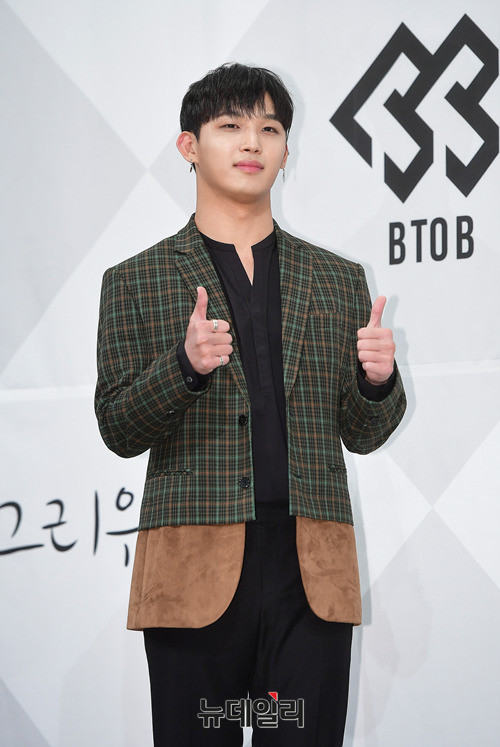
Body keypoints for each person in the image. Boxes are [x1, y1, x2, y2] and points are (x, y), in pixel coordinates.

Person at [95, 62, 406, 746]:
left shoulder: (337, 279)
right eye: (230, 125)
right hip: (191, 567)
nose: (251, 142)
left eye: (269, 128)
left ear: (286, 150)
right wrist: (183, 367)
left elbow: (362, 432)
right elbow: (117, 425)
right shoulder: (136, 280)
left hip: (309, 571)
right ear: (189, 145)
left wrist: (378, 381)